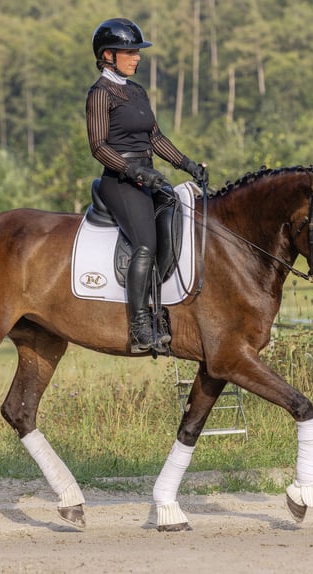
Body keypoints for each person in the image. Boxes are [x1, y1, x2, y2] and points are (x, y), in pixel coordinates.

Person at [86, 17, 208, 354]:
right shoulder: (100, 93)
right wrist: (135, 173)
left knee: (176, 218)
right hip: (120, 180)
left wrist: (188, 165)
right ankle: (140, 327)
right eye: (130, 52)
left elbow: (155, 137)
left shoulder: (136, 91)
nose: (137, 57)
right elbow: (98, 146)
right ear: (108, 55)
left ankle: (165, 308)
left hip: (148, 176)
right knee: (144, 244)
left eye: (137, 52)